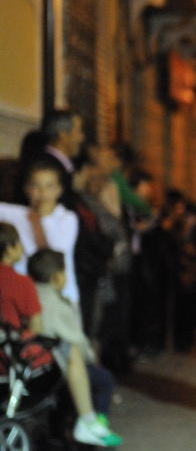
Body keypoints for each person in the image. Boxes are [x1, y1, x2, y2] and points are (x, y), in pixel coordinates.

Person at [29, 248, 123, 447]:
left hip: (35, 367)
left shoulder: (29, 295)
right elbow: (76, 340)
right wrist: (91, 357)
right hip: (58, 367)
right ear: (56, 277)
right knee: (104, 380)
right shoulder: (58, 304)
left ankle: (64, 430)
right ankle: (95, 424)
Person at [0, 159, 81, 305]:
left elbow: (54, 252)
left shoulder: (67, 218)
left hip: (61, 295)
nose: (42, 192)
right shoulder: (18, 214)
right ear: (26, 189)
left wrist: (43, 219)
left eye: (49, 186)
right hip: (26, 295)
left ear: (59, 190)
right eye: (35, 185)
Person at [0, 222, 42, 335]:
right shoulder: (20, 282)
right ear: (9, 249)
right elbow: (35, 326)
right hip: (9, 343)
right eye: (19, 243)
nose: (22, 248)